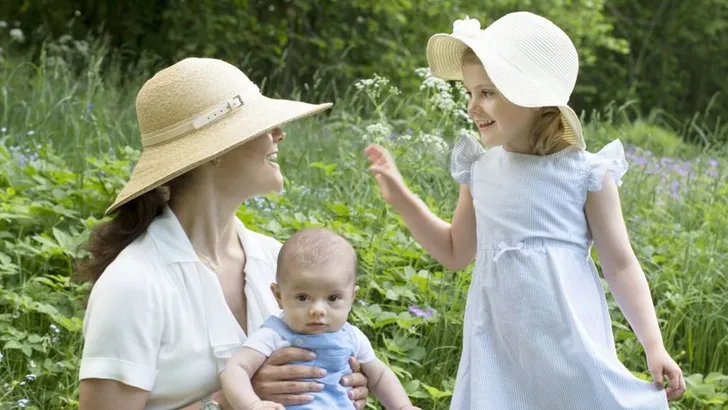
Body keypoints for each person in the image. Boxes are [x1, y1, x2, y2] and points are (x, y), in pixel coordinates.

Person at [364, 12, 686, 410]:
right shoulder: (480, 171)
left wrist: (654, 346)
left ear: (532, 98)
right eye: (469, 92)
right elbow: (454, 251)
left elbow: (620, 265)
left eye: (486, 93)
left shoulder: (586, 173)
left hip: (569, 348)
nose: (471, 107)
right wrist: (401, 199)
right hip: (498, 351)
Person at [75, 57, 370, 410]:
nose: (279, 133)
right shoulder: (134, 284)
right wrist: (231, 400)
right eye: (260, 124)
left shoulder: (276, 258)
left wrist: (340, 386)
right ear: (215, 152)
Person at [220, 227, 421, 410]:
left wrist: (403, 407)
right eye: (302, 297)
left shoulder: (352, 337)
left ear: (352, 297)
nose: (317, 310)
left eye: (332, 298)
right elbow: (235, 369)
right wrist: (252, 404)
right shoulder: (274, 335)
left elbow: (380, 377)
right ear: (279, 296)